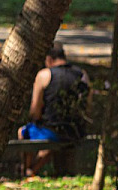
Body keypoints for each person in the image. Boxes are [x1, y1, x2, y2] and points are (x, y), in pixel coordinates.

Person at [18, 42, 91, 177]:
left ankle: (28, 170)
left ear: (49, 59)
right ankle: (34, 170)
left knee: (23, 132)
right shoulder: (82, 74)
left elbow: (34, 111)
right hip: (76, 130)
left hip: (52, 131)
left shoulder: (44, 75)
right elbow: (88, 106)